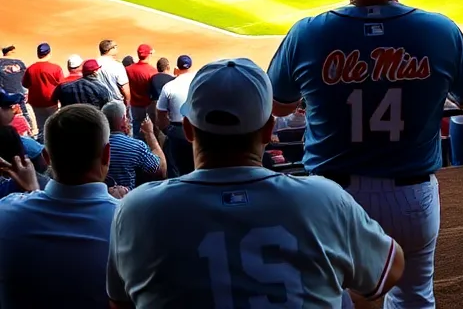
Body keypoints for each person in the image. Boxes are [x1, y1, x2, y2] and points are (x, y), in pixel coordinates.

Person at [268, 0, 463, 308]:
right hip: (411, 195)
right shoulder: (440, 30)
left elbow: (278, 105)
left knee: (334, 300)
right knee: (415, 297)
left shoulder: (308, 33)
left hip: (330, 196)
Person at [108, 59, 407, 309]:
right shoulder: (324, 197)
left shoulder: (137, 208)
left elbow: (119, 303)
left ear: (187, 130)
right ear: (267, 130)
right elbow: (390, 269)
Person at [0, 105, 119, 309]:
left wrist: (32, 192)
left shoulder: (6, 213)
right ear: (106, 154)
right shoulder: (129, 221)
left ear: (47, 157)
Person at [99, 100, 165, 189]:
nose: (128, 121)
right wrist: (150, 134)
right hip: (127, 200)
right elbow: (161, 169)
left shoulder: (93, 145)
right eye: (126, 117)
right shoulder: (136, 146)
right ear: (122, 121)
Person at [155, 55, 194, 177]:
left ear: (177, 68)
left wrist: (167, 130)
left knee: (175, 168)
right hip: (197, 131)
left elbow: (160, 114)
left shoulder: (169, 86)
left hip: (176, 131)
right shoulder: (198, 82)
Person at [23, 43, 62, 135]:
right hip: (51, 102)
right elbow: (62, 85)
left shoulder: (30, 69)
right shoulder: (56, 68)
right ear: (49, 53)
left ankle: (43, 145)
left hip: (36, 103)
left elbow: (25, 84)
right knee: (54, 126)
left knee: (41, 127)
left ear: (38, 54)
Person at [125, 44, 157, 130]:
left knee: (135, 126)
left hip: (133, 104)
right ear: (148, 55)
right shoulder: (152, 71)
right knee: (149, 128)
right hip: (147, 105)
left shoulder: (128, 69)